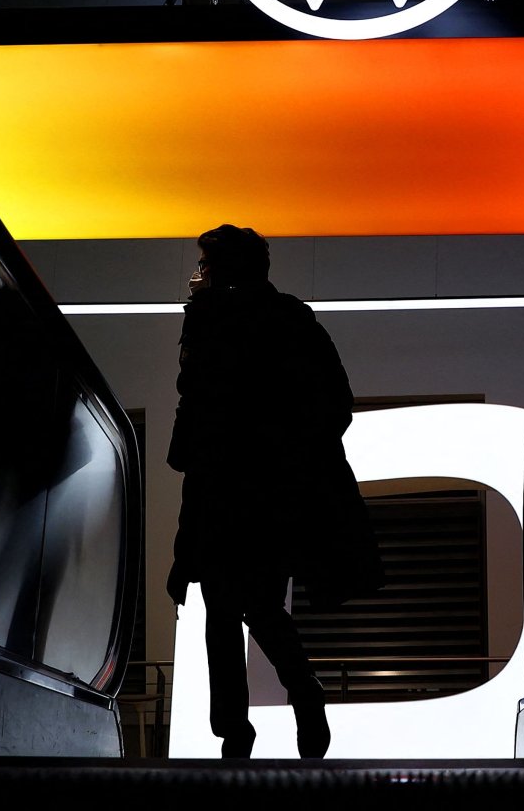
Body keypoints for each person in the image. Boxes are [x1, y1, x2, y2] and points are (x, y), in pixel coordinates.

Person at [164, 224, 380, 759]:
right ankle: (300, 692)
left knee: (225, 608)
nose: (202, 275)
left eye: (209, 265)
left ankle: (236, 731)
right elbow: (337, 404)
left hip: (229, 489)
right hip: (273, 492)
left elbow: (194, 410)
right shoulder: (289, 320)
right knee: (258, 603)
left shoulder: (211, 325)